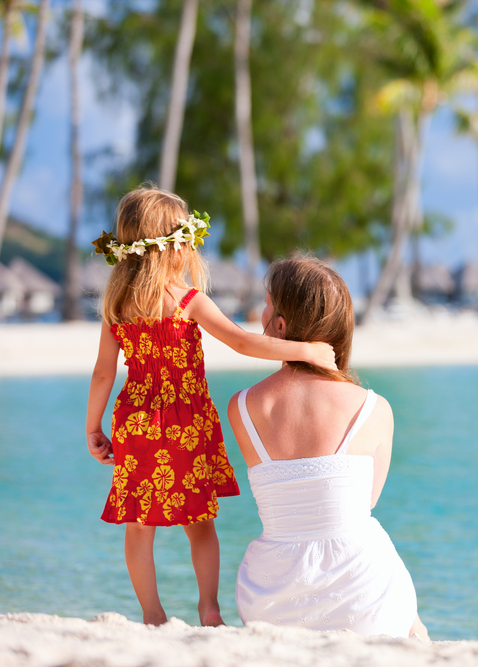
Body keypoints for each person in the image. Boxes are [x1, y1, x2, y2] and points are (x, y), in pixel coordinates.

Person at [85, 186, 336, 627]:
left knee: (140, 527)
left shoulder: (117, 307)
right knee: (199, 523)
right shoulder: (188, 301)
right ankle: (209, 610)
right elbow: (242, 342)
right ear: (174, 246)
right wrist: (307, 351)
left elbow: (103, 373)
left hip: (137, 423)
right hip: (187, 424)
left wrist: (94, 426)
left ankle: (152, 615)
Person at [227, 255, 429, 640]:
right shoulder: (373, 408)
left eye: (266, 305)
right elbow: (366, 502)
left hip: (271, 599)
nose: (260, 312)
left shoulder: (242, 407)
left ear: (281, 325)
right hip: (360, 592)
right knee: (410, 621)